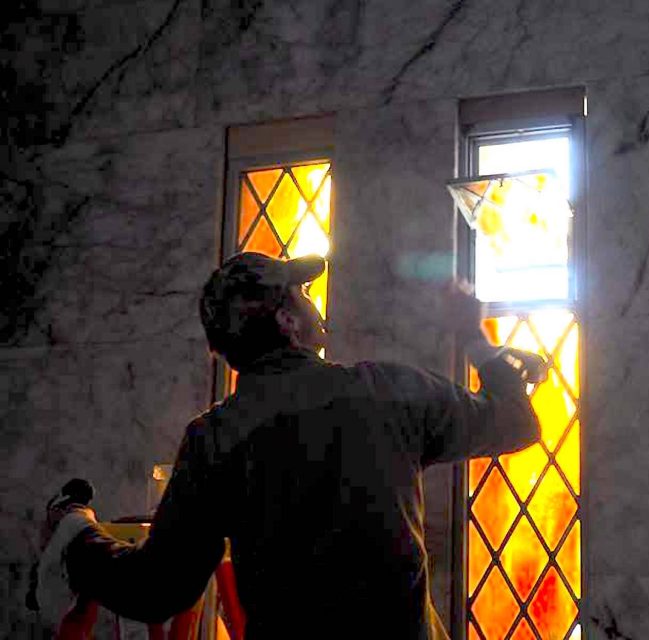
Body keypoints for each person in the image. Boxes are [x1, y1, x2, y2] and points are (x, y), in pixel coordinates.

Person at [36, 252, 544, 638]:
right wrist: (476, 339)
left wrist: (77, 535)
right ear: (286, 320)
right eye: (301, 293)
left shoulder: (215, 440)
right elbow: (517, 424)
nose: (311, 300)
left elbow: (156, 590)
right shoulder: (385, 393)